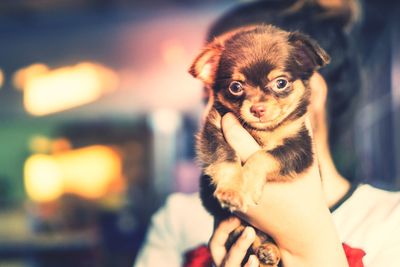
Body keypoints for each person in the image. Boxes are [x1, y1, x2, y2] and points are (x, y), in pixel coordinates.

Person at [134, 1, 400, 266]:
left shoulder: (391, 221)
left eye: (278, 83)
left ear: (311, 89)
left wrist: (310, 251)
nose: (257, 104)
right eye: (232, 89)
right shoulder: (178, 219)